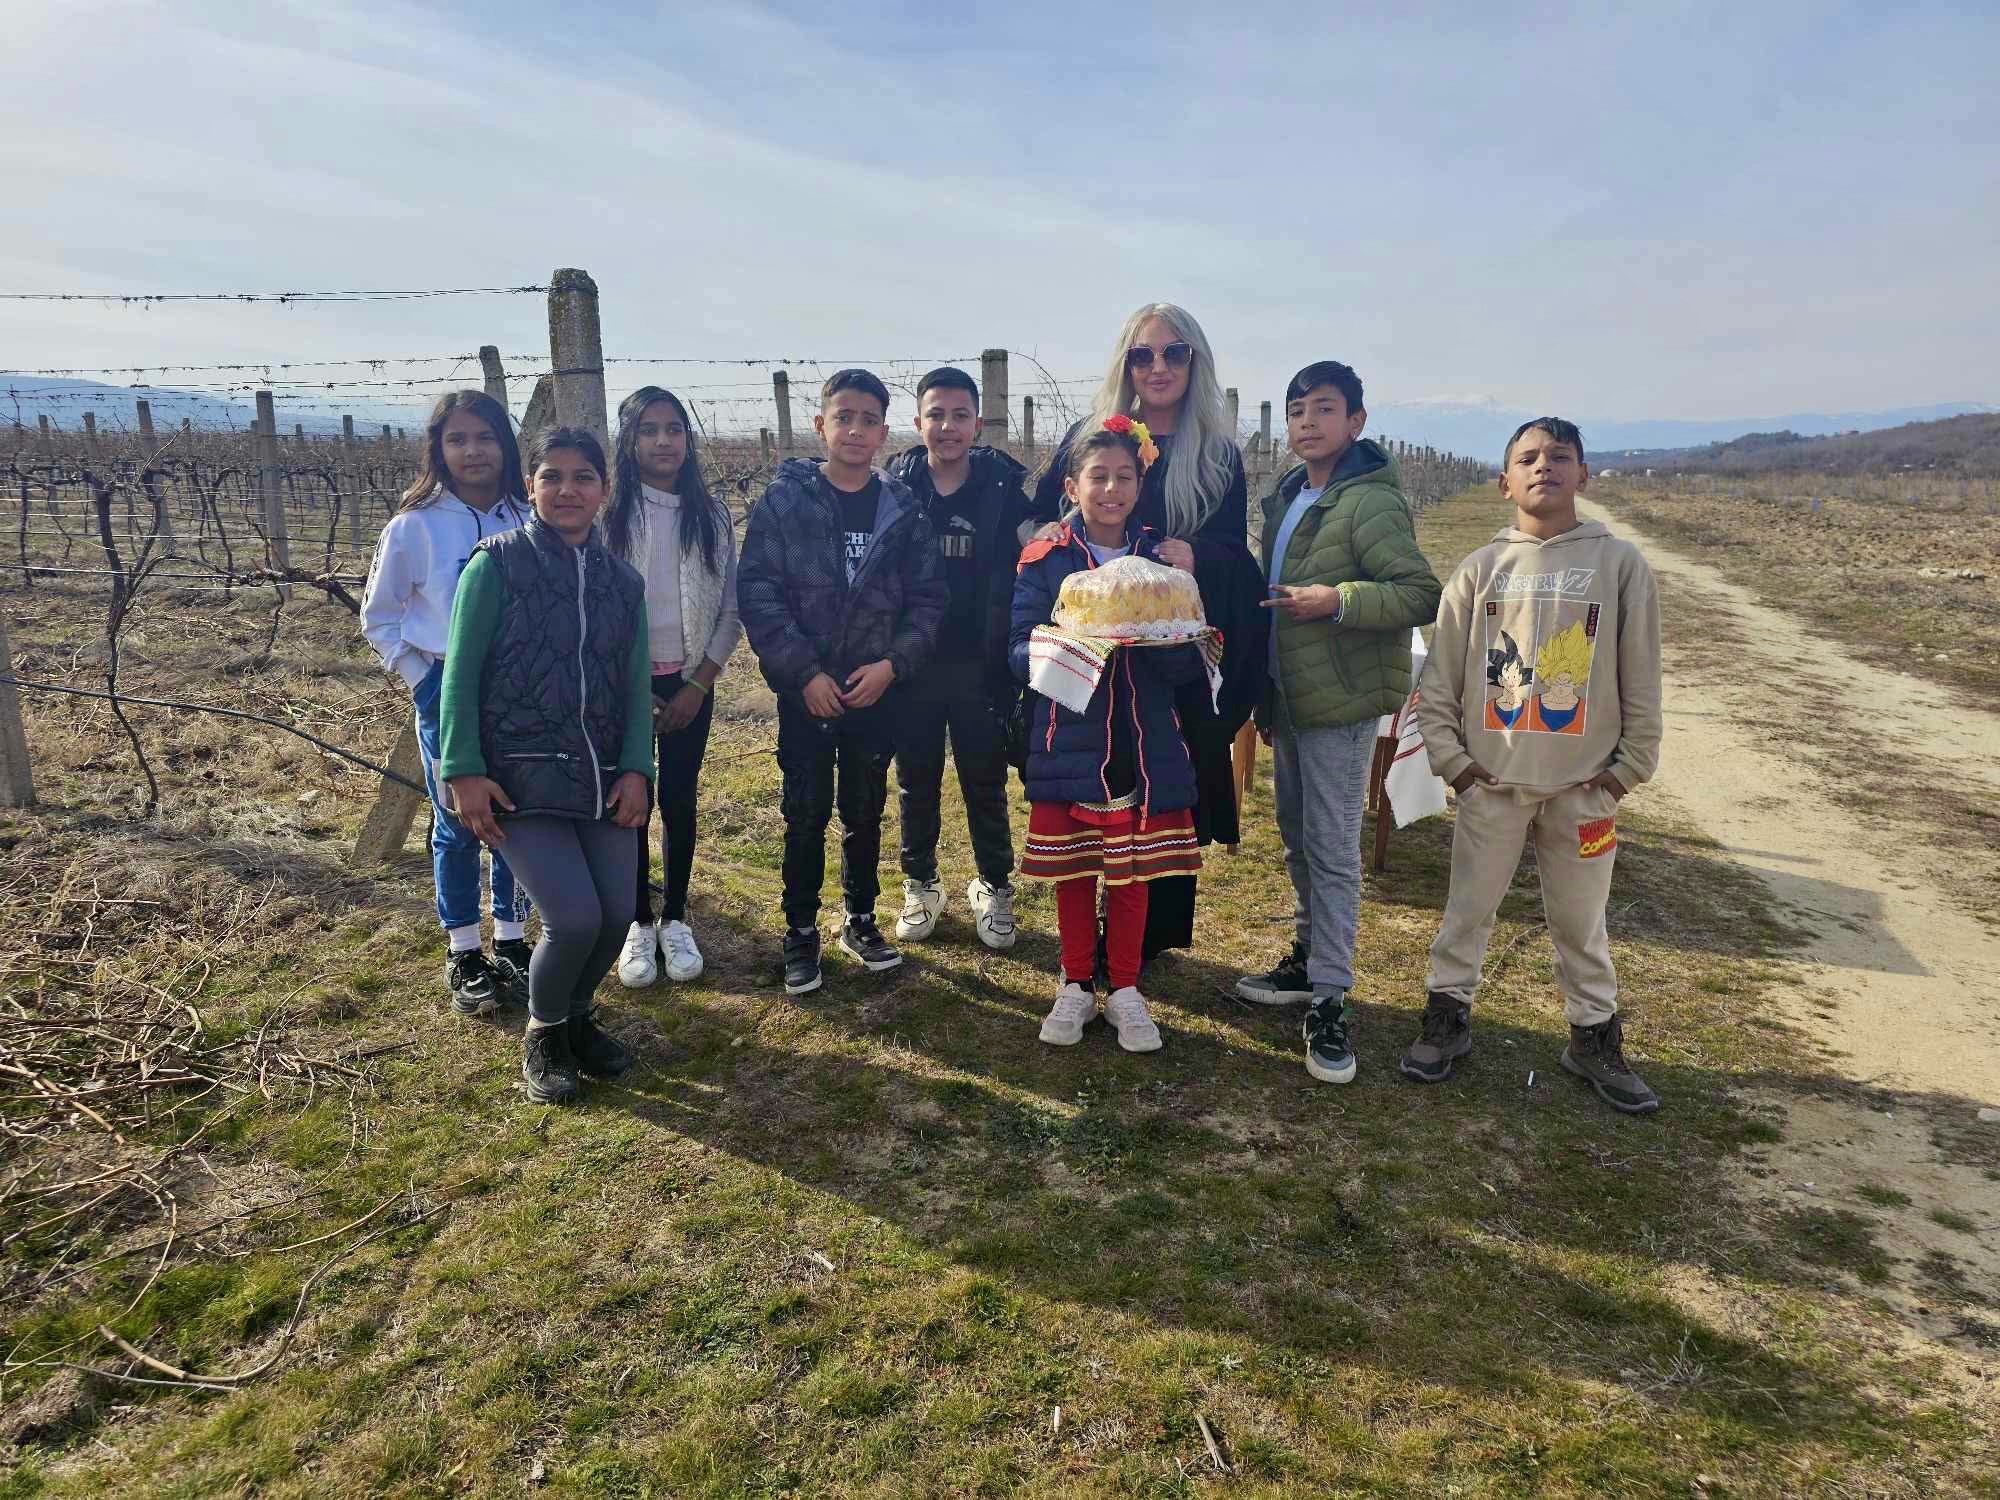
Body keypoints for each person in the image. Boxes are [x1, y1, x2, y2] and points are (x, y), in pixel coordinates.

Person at [1407, 417, 1663, 1114]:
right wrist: (1456, 764)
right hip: (1493, 785)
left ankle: (1593, 1034)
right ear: (1504, 482)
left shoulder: (1619, 566)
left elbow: (1641, 676)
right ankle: (1447, 1015)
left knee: (1582, 921)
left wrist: (1626, 769)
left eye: (1559, 456)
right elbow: (1442, 680)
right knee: (1468, 908)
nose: (1543, 466)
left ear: (1584, 474)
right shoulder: (1479, 570)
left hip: (1584, 791)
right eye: (1527, 458)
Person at [1029, 304, 1266, 966]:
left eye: (1173, 353)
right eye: (1143, 354)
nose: (1158, 367)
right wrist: (1047, 542)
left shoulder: (1216, 454)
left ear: (1196, 361)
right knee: (1095, 781)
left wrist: (1198, 554)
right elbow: (1038, 516)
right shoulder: (1092, 436)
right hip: (1096, 654)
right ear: (1125, 364)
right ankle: (1088, 934)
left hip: (1171, 655)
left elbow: (1232, 549)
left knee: (1168, 783)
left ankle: (1150, 936)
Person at [1237, 361, 1441, 1086]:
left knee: (1330, 847)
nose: (1306, 422)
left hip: (1342, 702)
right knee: (1297, 836)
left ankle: (1331, 997)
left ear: (1356, 421)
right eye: (1297, 410)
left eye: (1324, 409)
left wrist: (1340, 600)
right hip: (1292, 695)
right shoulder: (1291, 494)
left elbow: (1420, 592)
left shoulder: (1371, 501)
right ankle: (1307, 959)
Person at [438, 426, 655, 1105]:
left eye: (583, 477)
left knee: (616, 915)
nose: (568, 490)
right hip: (518, 775)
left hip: (602, 776)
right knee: (573, 917)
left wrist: (636, 769)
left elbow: (635, 686)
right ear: (530, 486)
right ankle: (544, 1032)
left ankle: (576, 1018)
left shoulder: (623, 583)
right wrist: (463, 770)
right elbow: (460, 673)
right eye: (552, 477)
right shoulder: (495, 566)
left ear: (604, 489)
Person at [736, 369, 947, 996]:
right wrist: (804, 673)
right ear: (821, 425)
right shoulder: (784, 503)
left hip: (874, 690)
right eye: (844, 417)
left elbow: (928, 600)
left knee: (864, 809)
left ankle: (860, 917)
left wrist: (892, 666)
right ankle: (800, 930)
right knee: (804, 813)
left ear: (883, 432)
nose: (856, 430)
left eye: (869, 420)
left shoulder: (903, 512)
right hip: (807, 693)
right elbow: (760, 592)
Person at [1011, 421, 1207, 1053]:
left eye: (1125, 476)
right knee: (1074, 869)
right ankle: (1074, 982)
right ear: (1073, 486)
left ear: (1140, 485)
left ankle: (1124, 987)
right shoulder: (1047, 559)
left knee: (1132, 872)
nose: (1112, 489)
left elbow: (1188, 658)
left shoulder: (1162, 567)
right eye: (1098, 477)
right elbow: (1017, 647)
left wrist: (1162, 644)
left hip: (1142, 741)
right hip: (1071, 736)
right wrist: (1071, 649)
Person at [359, 390, 534, 1018]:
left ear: (505, 445)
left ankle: (512, 939)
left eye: (485, 437)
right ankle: (464, 949)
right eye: (457, 439)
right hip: (445, 693)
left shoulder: (530, 518)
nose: (472, 451)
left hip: (519, 695)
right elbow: (379, 617)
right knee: (457, 820)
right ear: (438, 449)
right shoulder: (414, 527)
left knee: (515, 815)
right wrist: (423, 681)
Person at [884, 367, 1030, 950]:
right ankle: (920, 884)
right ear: (918, 422)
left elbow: (1034, 540)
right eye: (936, 415)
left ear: (977, 423)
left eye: (959, 415)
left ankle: (994, 885)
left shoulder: (1001, 488)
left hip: (980, 664)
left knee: (985, 781)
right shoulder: (896, 488)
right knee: (915, 779)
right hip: (912, 663)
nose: (948, 427)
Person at [601, 387, 741, 989]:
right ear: (629, 441)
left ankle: (676, 916)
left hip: (688, 683)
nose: (664, 441)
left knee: (680, 798)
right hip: (621, 686)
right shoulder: (607, 515)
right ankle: (636, 919)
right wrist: (630, 689)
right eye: (649, 430)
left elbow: (730, 610)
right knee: (629, 801)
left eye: (675, 429)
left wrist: (698, 684)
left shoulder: (711, 518)